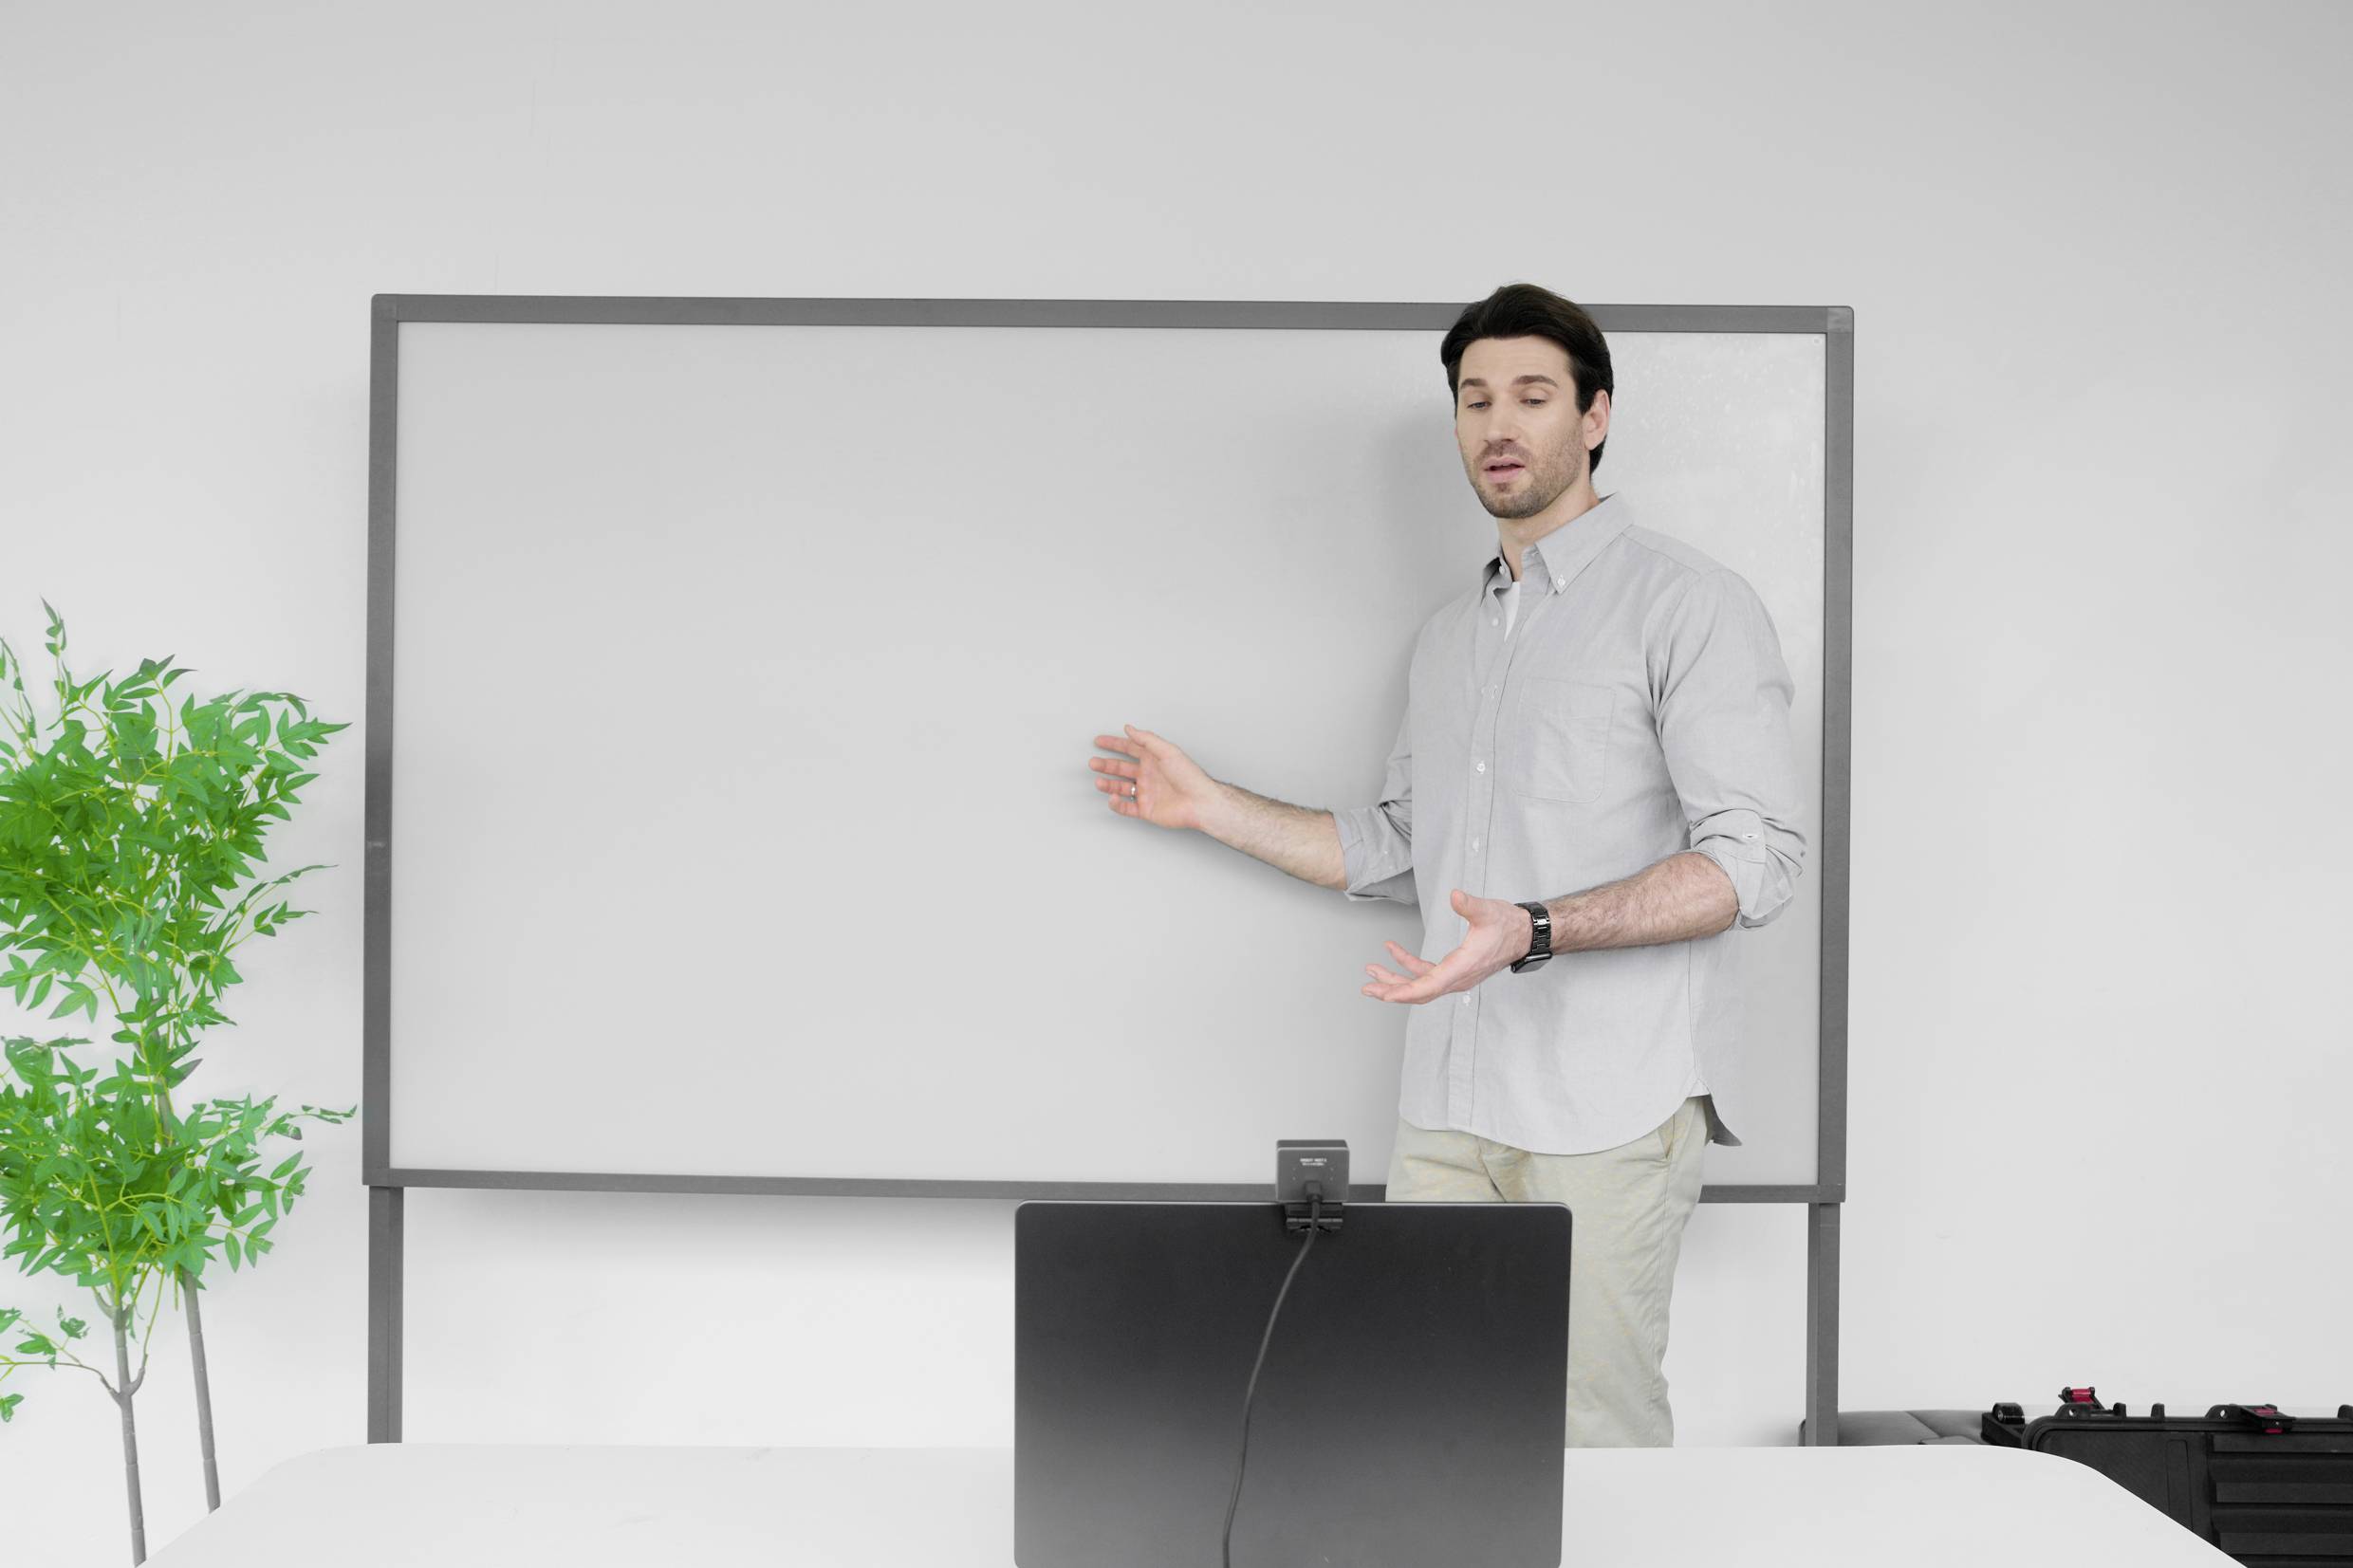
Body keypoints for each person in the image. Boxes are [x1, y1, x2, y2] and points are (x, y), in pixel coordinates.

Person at [1084, 281, 1806, 1447]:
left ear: (1595, 416)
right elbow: (1392, 850)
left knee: (1592, 1437)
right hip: (1446, 1111)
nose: (1497, 426)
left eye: (1531, 395)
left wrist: (1536, 927)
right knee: (1427, 1432)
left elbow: (1755, 861)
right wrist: (1211, 808)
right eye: (1473, 400)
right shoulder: (1452, 636)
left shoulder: (1688, 606)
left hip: (1606, 1107)